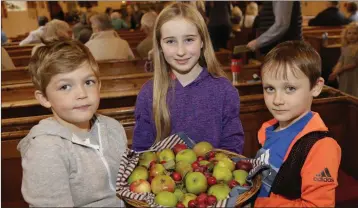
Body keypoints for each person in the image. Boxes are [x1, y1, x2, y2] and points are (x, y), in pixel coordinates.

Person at [17, 40, 128, 207]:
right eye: (65, 86)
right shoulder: (46, 149)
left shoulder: (113, 128)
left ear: (99, 86)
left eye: (88, 82)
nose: (81, 94)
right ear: (44, 98)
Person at [132, 3, 245, 153]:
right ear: (160, 46)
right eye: (170, 41)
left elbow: (232, 148)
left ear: (202, 41)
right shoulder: (149, 93)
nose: (181, 51)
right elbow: (141, 153)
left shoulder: (224, 90)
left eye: (189, 40)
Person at [254, 41, 341, 207]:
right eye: (270, 89)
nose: (277, 100)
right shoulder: (268, 129)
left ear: (316, 87)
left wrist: (257, 204)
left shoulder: (320, 146)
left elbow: (316, 206)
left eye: (290, 89)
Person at [328, 22, 358, 97]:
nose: (351, 36)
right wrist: (335, 72)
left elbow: (354, 64)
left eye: (355, 33)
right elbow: (341, 60)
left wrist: (340, 70)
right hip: (345, 74)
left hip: (354, 74)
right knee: (345, 90)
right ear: (345, 34)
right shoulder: (345, 47)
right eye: (349, 33)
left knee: (354, 90)